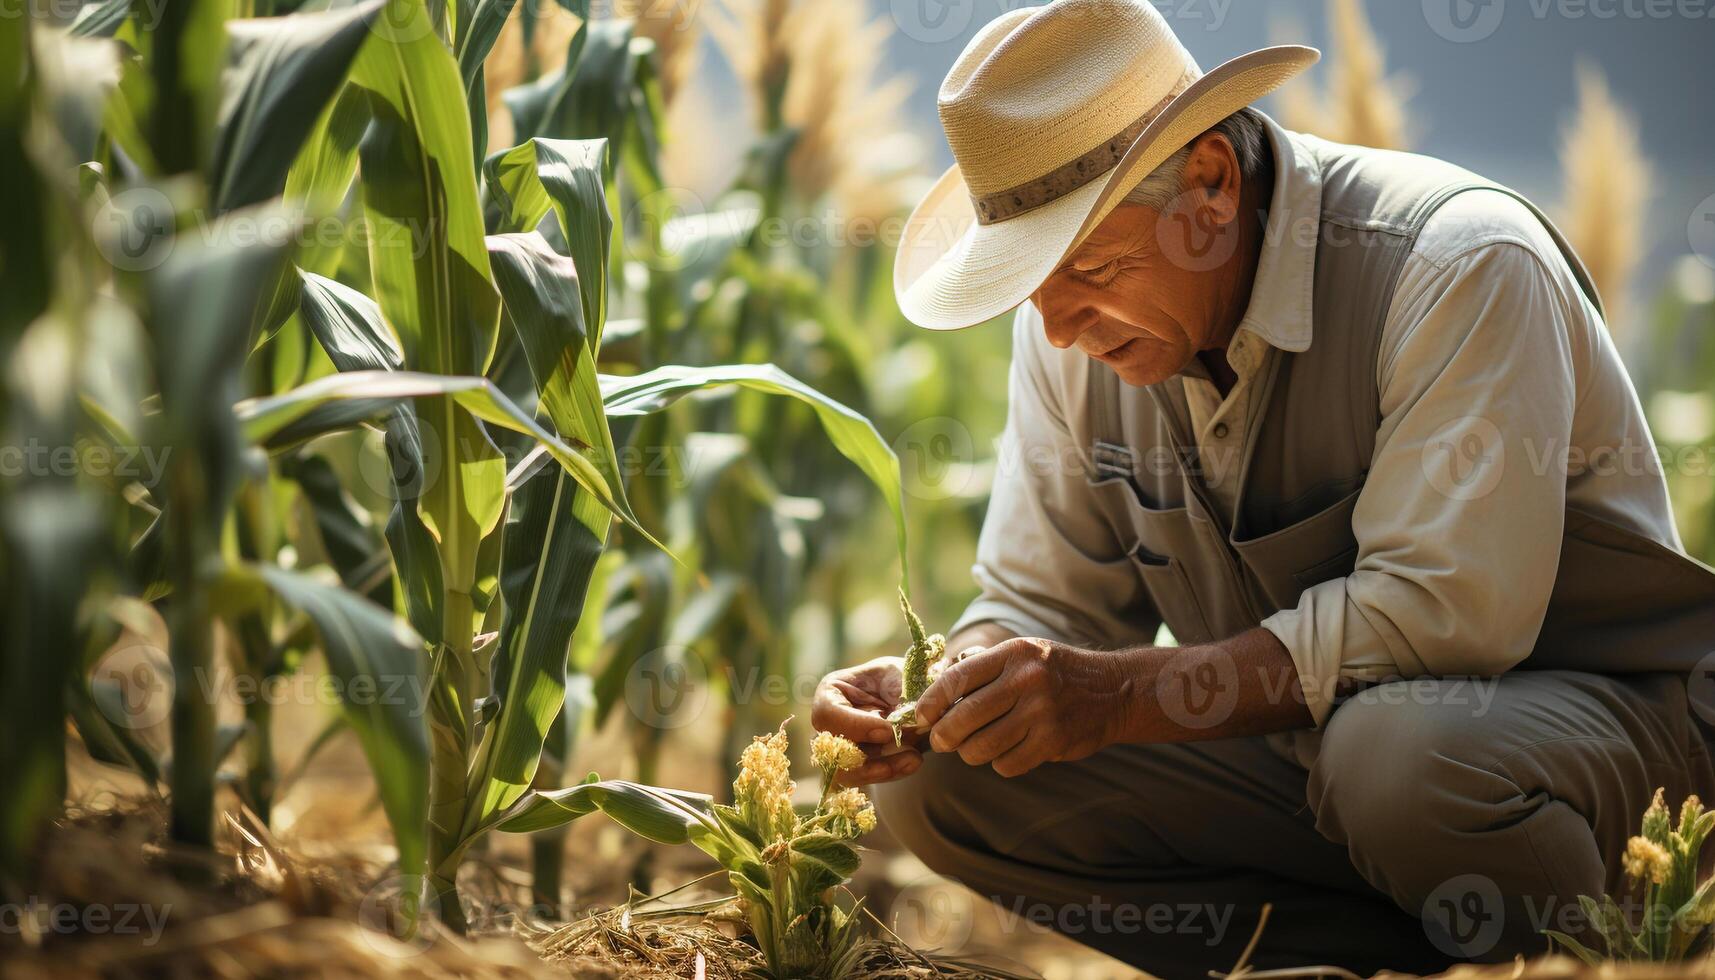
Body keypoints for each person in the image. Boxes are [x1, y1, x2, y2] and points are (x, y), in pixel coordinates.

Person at [810, 1, 1715, 975]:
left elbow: (1444, 617)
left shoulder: (1455, 263)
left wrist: (1117, 695)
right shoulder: (1069, 331)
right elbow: (1039, 599)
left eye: (1087, 269)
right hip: (1332, 762)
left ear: (1207, 181)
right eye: (1030, 287)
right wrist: (949, 689)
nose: (1059, 328)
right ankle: (1357, 962)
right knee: (947, 779)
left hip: (1595, 747)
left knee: (1395, 760)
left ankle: (1607, 952)